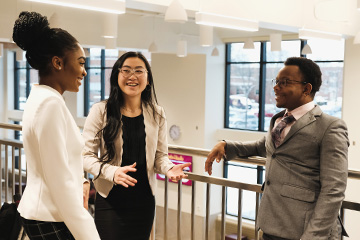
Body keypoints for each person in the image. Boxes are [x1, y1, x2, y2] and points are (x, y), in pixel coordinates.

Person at [205, 57, 348, 240]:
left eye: (284, 82)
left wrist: (313, 236)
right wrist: (227, 146)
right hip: (272, 224)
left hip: (303, 230)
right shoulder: (280, 120)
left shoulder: (330, 126)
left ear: (306, 88)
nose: (276, 87)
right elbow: (267, 147)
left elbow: (334, 188)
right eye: (276, 82)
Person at [82, 51, 191, 240]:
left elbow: (159, 156)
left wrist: (169, 168)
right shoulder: (100, 111)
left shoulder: (157, 113)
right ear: (117, 76)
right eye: (126, 70)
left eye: (139, 71)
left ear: (148, 79)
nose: (132, 76)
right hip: (110, 200)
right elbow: (85, 156)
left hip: (143, 202)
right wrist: (112, 172)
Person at [12, 11, 100, 240]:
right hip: (50, 216)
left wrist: (81, 179)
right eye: (80, 63)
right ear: (58, 63)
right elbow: (59, 183)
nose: (84, 71)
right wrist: (89, 233)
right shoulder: (50, 104)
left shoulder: (42, 98)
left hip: (44, 213)